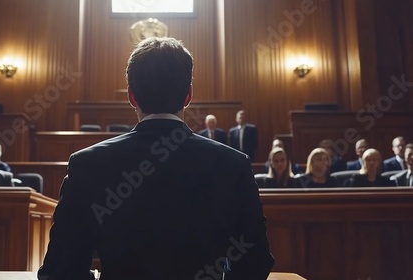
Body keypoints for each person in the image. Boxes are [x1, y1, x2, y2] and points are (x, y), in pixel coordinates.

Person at [38, 37, 274, 280]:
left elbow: (59, 271)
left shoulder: (86, 165)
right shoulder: (233, 165)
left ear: (132, 97)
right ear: (188, 96)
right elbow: (255, 263)